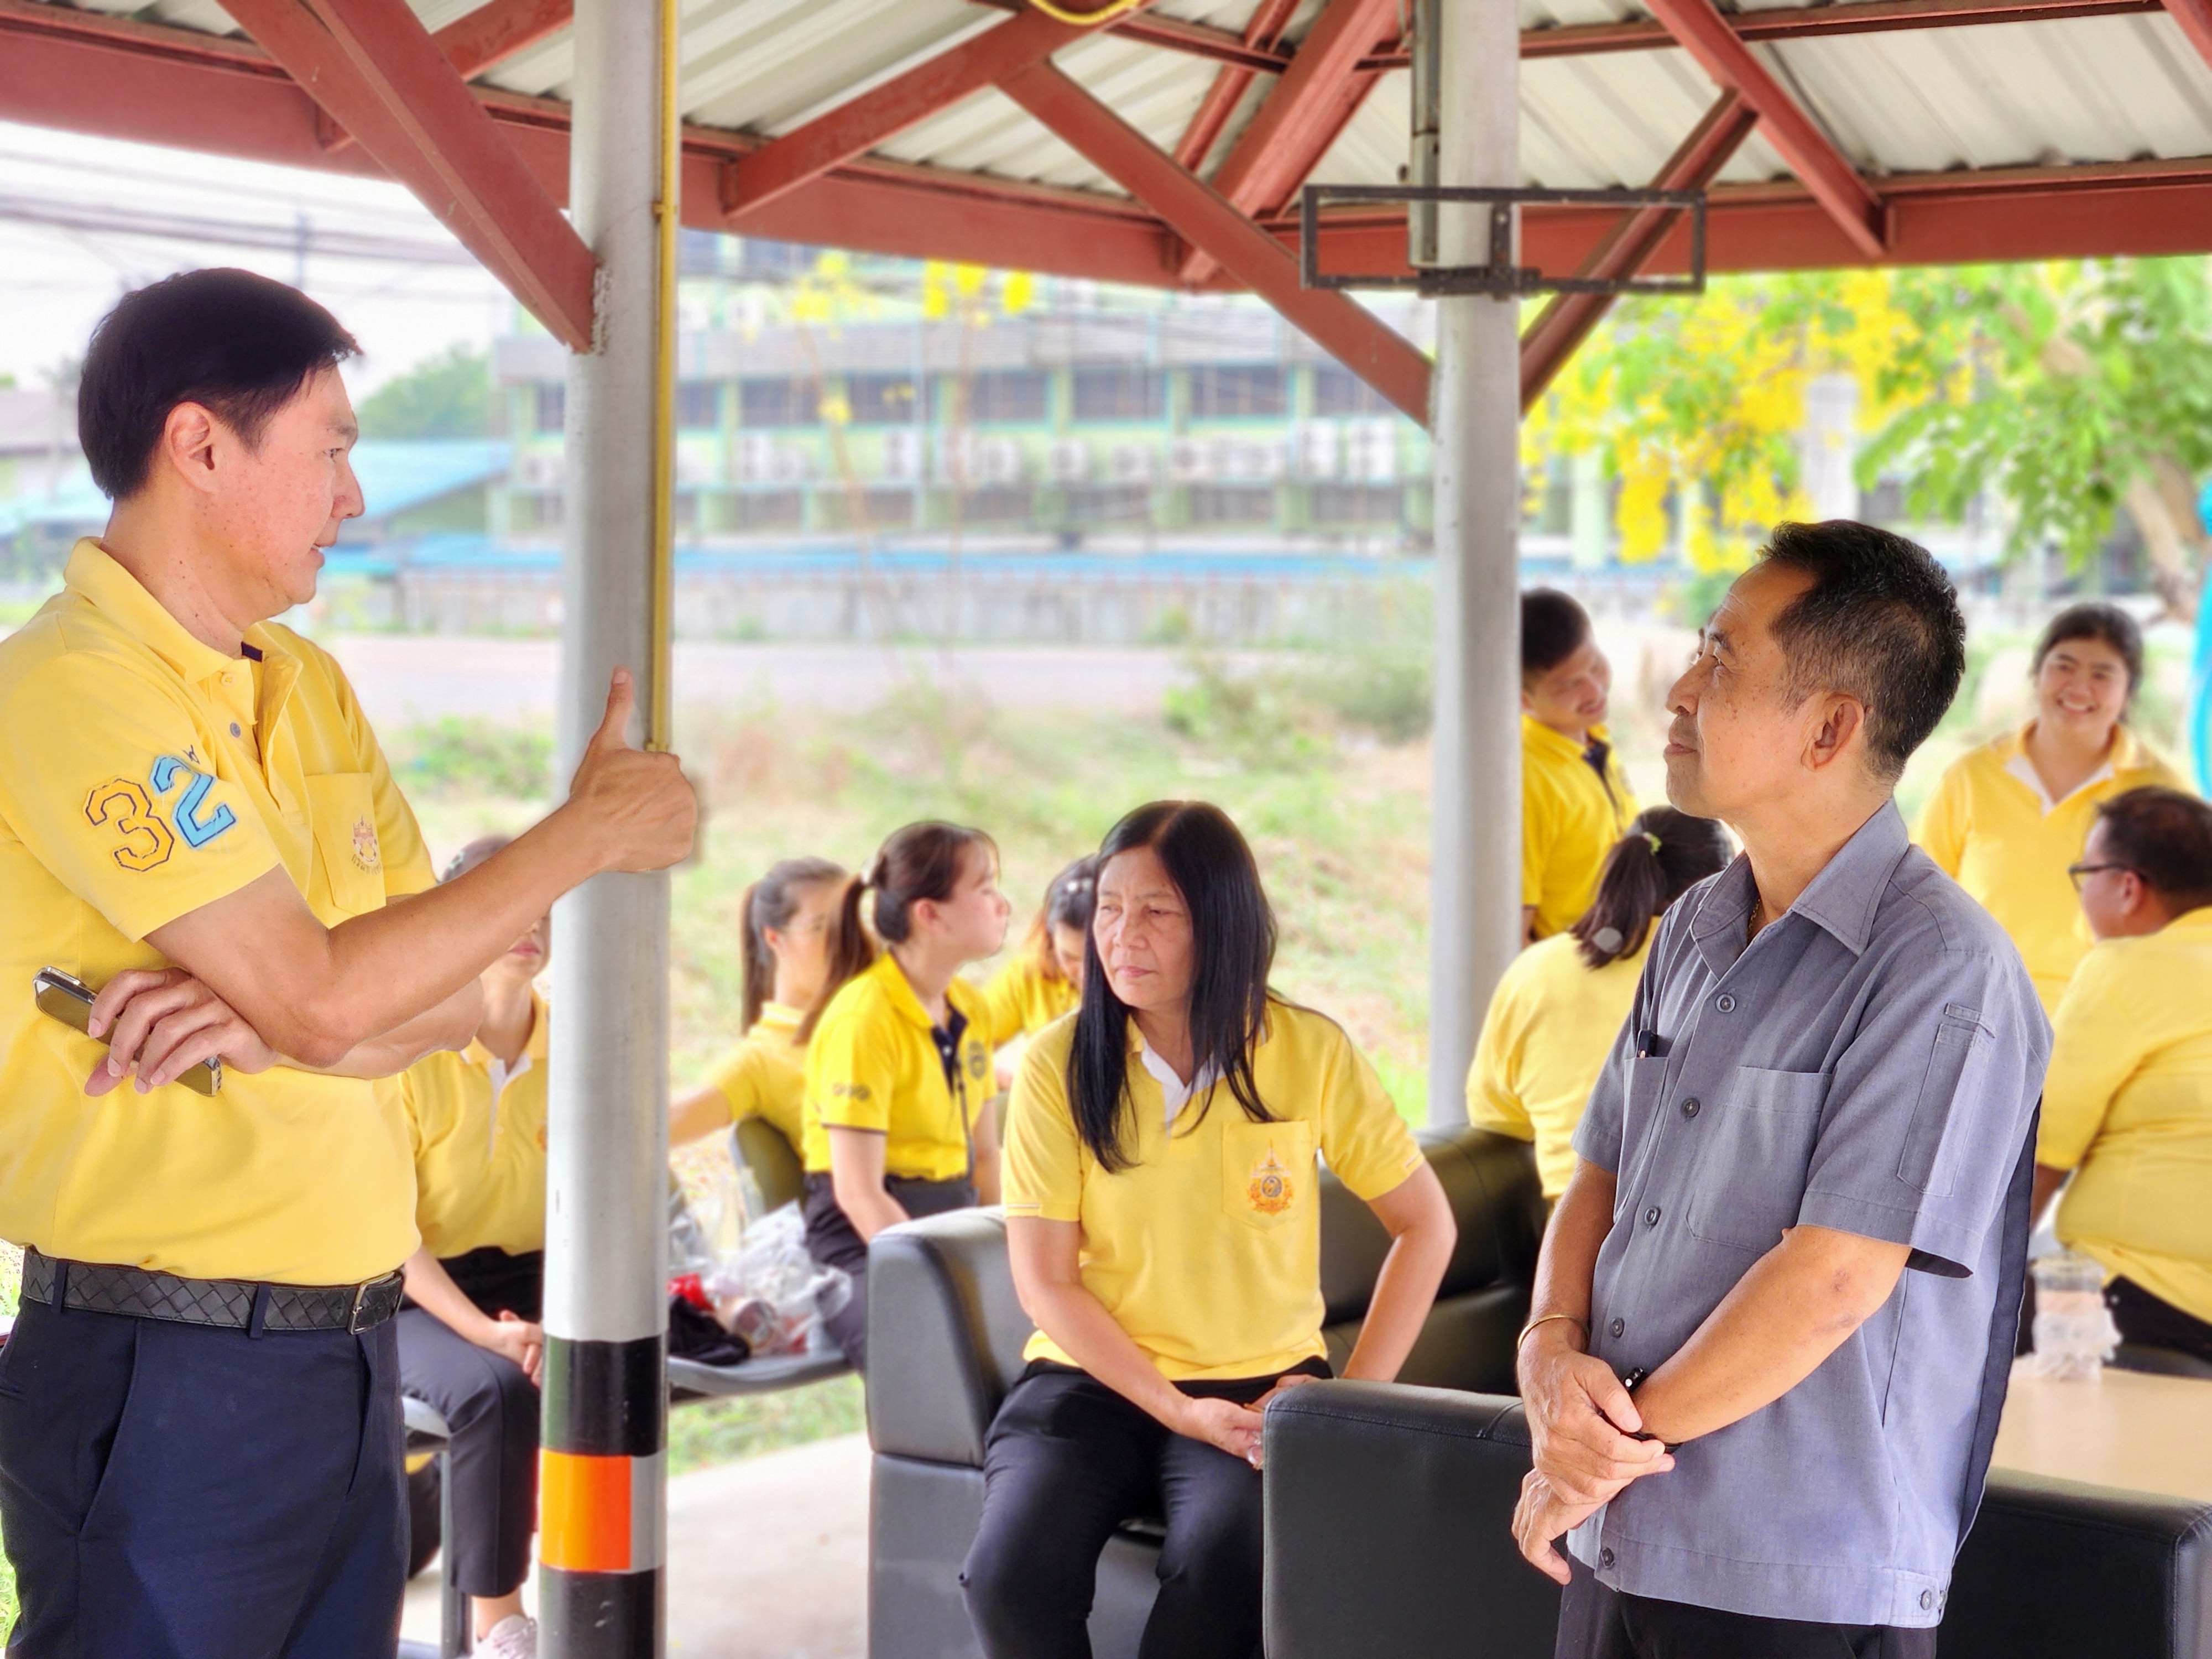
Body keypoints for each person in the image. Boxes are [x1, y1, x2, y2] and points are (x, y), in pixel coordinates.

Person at [0, 269, 693, 1659]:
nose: (354, 495)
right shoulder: (74, 684)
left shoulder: (305, 685)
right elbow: (340, 992)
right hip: (163, 1363)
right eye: (330, 448)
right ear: (200, 445)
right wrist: (582, 834)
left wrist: (271, 1022)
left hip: (350, 1352)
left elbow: (438, 994)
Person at [1512, 522, 2050, 1658]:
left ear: (1829, 728)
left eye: (1720, 658)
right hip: (1619, 1528)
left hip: (1794, 1578)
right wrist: (1547, 1354)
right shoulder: (1694, 926)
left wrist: (1594, 1451)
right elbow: (1600, 1176)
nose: (1678, 690)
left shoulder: (1940, 969)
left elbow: (1832, 1280)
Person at [963, 801, 1458, 1659]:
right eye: (1109, 908)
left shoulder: (1309, 1050)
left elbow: (1426, 1225)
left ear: (1221, 922)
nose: (1123, 936)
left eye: (1156, 911)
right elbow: (1047, 1282)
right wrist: (1176, 1409)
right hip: (1090, 1378)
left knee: (1227, 1569)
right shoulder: (1056, 1064)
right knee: (1008, 1577)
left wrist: (1341, 1403)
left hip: (1261, 1388)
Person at [395, 838, 550, 1659]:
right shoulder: (407, 1051)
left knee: (621, 1357)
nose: (532, 921)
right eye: (506, 902)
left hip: (538, 1277)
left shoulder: (582, 1049)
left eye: (546, 904)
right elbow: (391, 1236)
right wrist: (488, 1332)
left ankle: (606, 1585)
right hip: (412, 1291)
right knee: (495, 1388)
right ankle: (502, 1627)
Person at [801, 822, 1010, 1369]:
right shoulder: (863, 1019)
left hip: (951, 1221)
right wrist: (937, 1282)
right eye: (986, 888)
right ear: (930, 915)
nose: (1003, 904)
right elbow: (859, 1193)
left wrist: (1007, 1260)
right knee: (930, 1354)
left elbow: (987, 1159)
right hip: (865, 1239)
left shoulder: (971, 1008)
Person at [1917, 602, 2185, 1013]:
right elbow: (1921, 898)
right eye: (2064, 666)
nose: (2079, 687)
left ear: (2129, 689)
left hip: (2105, 1020)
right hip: (1973, 1010)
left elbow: (2186, 925)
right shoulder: (1972, 778)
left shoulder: (2160, 793)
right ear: (2038, 671)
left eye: (2102, 675)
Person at [2030, 786, 2212, 1365]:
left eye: (2085, 874)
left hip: (2142, 1298)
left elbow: (2040, 1153)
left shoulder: (2126, 968)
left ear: (2127, 887)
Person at [1467, 808, 1731, 1202]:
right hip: (1684, 1228)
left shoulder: (1536, 970)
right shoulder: (1727, 976)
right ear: (1721, 885)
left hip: (1564, 1226)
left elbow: (1497, 1116)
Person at [670, 855, 848, 1153]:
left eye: (854, 923)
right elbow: (662, 1125)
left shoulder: (881, 1011)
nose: (848, 942)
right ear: (776, 939)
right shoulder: (762, 1059)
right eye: (820, 927)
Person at [1522, 588, 1639, 943]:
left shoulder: (1592, 737)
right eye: (1569, 685)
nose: (1594, 691)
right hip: (1576, 968)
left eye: (1594, 665)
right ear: (1523, 700)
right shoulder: (1525, 781)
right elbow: (1514, 933)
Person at [979, 854, 1097, 1048]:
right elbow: (962, 1042)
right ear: (1051, 940)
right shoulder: (1035, 971)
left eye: (1096, 960)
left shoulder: (1144, 990)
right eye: (1069, 957)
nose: (1086, 973)